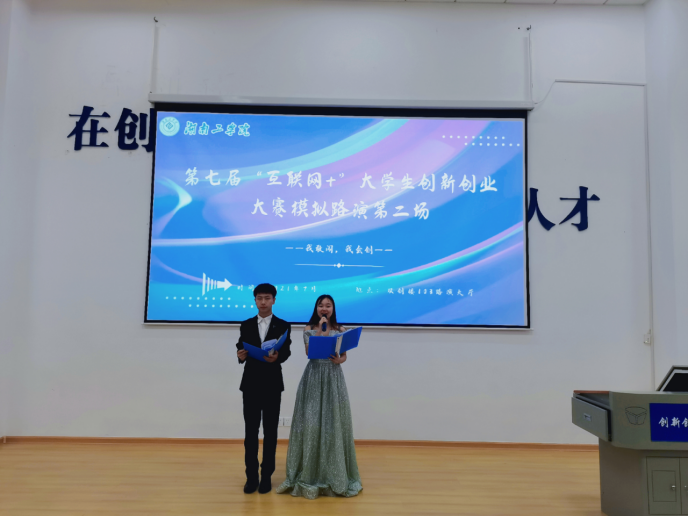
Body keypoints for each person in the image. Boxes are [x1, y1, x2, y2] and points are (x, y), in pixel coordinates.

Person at [276, 295, 362, 499]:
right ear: (316, 308)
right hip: (314, 376)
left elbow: (344, 356)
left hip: (333, 377)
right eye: (321, 305)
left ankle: (333, 473)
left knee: (333, 422)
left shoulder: (341, 329)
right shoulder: (309, 329)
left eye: (328, 306)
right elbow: (310, 352)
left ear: (333, 308)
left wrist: (340, 360)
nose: (324, 308)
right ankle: (309, 472)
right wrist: (322, 331)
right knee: (311, 423)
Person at [236, 283, 292, 495]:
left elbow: (286, 350)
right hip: (250, 384)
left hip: (272, 384)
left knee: (270, 432)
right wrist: (240, 355)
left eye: (267, 298)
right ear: (255, 300)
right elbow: (241, 345)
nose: (263, 302)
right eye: (259, 298)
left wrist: (278, 357)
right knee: (250, 432)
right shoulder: (246, 324)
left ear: (274, 300)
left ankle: (266, 475)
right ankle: (251, 477)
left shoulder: (283, 325)